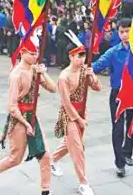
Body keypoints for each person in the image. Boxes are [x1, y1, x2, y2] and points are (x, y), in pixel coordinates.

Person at [0, 38, 57, 195]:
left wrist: (43, 72)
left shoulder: (35, 70)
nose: (35, 56)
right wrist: (26, 124)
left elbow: (53, 88)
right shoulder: (16, 75)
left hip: (32, 116)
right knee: (15, 158)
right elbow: (12, 107)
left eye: (36, 53)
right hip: (18, 118)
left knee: (44, 155)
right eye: (31, 53)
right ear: (23, 53)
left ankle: (45, 190)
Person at [50, 33, 102, 195]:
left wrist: (92, 76)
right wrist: (78, 119)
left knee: (71, 144)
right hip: (69, 115)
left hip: (82, 111)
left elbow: (98, 88)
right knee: (77, 149)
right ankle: (83, 183)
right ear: (71, 57)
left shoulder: (85, 70)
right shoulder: (64, 77)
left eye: (83, 56)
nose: (82, 59)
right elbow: (66, 103)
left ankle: (52, 159)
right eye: (79, 56)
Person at [91, 18, 133, 177]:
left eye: (127, 31)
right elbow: (97, 65)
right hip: (117, 93)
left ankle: (127, 152)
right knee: (117, 128)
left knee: (132, 125)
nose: (124, 35)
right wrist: (85, 67)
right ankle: (119, 162)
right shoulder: (114, 52)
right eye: (121, 32)